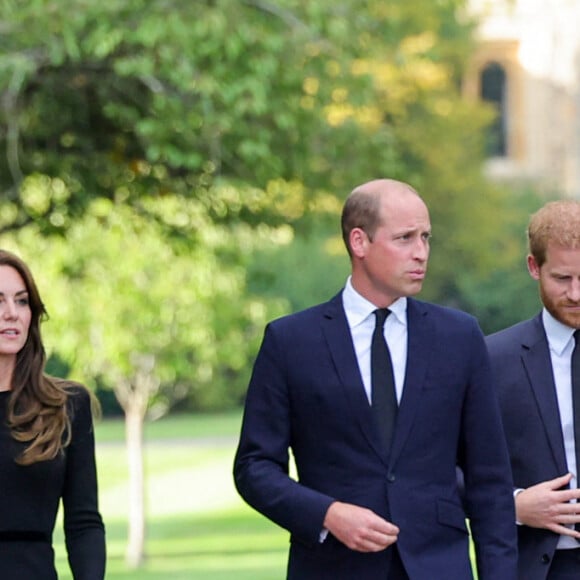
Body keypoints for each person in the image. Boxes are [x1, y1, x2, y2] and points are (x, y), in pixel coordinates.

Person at [233, 179, 517, 579]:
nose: (421, 253)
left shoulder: (460, 336)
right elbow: (254, 467)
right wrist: (327, 514)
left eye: (425, 238)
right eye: (404, 238)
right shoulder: (290, 341)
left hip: (439, 567)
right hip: (333, 567)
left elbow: (490, 481)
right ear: (359, 242)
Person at [486, 200, 580, 580]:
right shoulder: (491, 359)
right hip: (535, 568)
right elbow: (445, 467)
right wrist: (514, 505)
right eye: (562, 279)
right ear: (533, 267)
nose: (576, 293)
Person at [0, 249, 106, 579]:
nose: (11, 313)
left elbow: (83, 522)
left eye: (21, 301)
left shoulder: (67, 405)